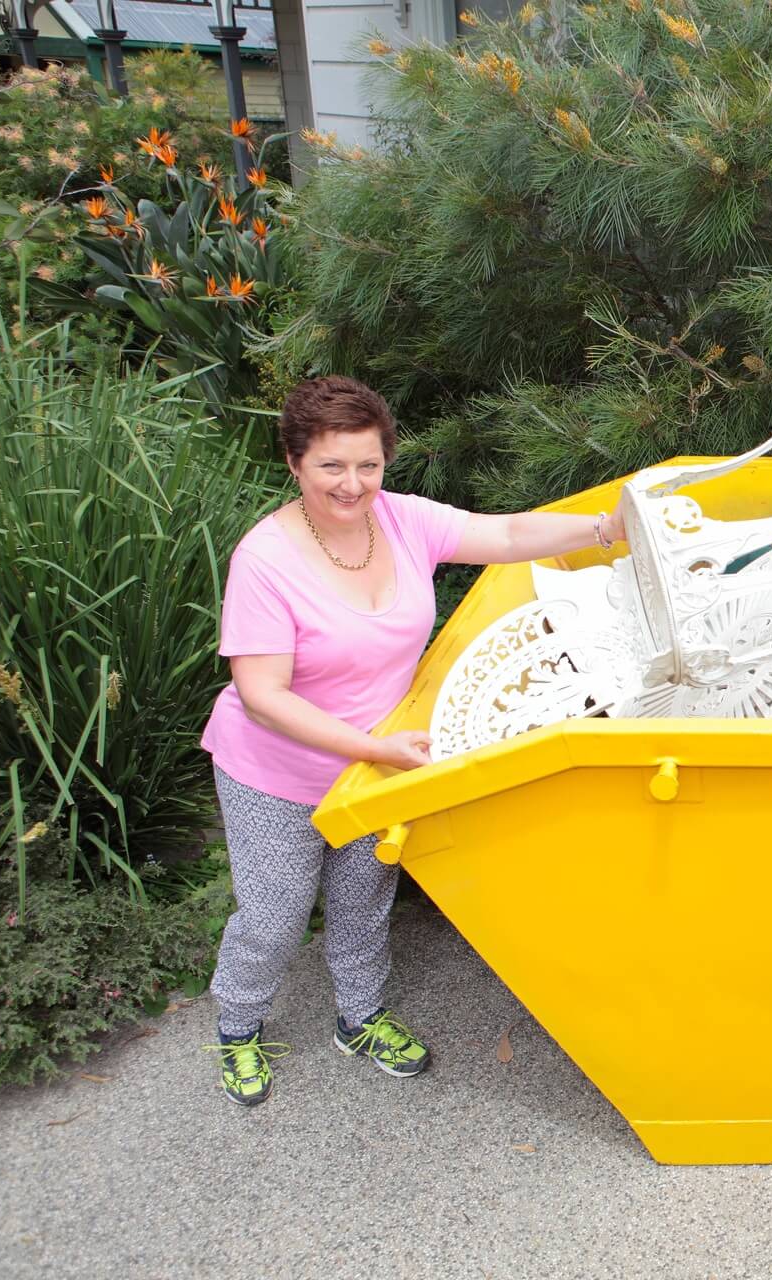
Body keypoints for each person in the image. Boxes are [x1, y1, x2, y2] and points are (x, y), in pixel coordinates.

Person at [199, 376, 627, 1106]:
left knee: (366, 898)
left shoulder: (400, 520)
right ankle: (238, 1028)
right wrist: (372, 750)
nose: (352, 483)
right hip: (277, 770)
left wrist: (605, 528)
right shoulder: (264, 560)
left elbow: (509, 535)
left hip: (376, 762)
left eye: (368, 464)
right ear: (295, 462)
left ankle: (359, 1018)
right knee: (274, 914)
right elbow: (263, 697)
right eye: (332, 465)